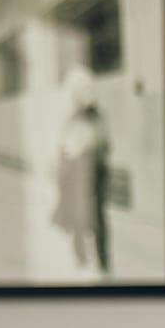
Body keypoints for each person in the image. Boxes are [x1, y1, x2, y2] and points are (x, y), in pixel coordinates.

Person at [52, 64, 111, 276]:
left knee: (94, 217)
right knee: (83, 217)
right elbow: (64, 147)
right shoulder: (74, 117)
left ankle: (98, 261)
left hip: (92, 170)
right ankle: (87, 259)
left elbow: (104, 144)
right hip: (81, 171)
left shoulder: (93, 116)